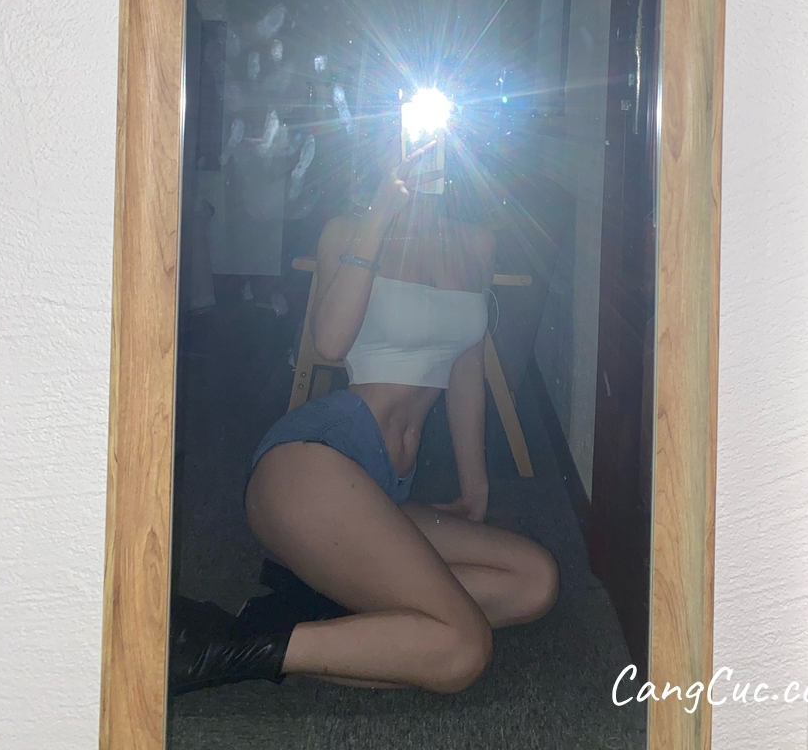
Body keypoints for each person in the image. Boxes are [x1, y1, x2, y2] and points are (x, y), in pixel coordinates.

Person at [171, 140, 558, 696]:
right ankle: (226, 647)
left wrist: (476, 489)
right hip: (313, 461)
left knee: (534, 580)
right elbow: (329, 344)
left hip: (384, 489)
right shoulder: (348, 231)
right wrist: (380, 214)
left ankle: (332, 600)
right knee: (463, 649)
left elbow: (466, 367)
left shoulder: (478, 242)